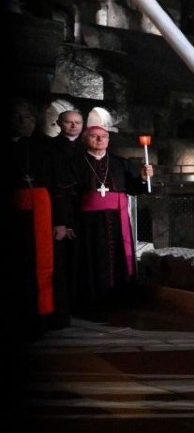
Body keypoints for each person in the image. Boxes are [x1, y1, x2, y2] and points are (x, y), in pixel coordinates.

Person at [55, 107, 152, 311]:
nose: (99, 140)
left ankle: (120, 300)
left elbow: (135, 190)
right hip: (86, 224)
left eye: (103, 137)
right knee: (90, 260)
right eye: (94, 136)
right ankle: (91, 303)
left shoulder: (121, 163)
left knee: (118, 259)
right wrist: (67, 222)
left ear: (108, 140)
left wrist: (143, 178)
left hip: (118, 221)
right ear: (85, 139)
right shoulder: (74, 163)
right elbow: (67, 196)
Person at [10, 97, 55, 341]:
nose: (20, 122)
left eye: (25, 117)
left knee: (40, 266)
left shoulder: (43, 147)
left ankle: (39, 319)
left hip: (40, 215)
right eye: (15, 117)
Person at [47, 109, 85, 329]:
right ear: (59, 123)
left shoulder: (84, 147)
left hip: (82, 209)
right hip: (61, 208)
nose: (73, 126)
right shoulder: (50, 148)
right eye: (69, 122)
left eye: (77, 122)